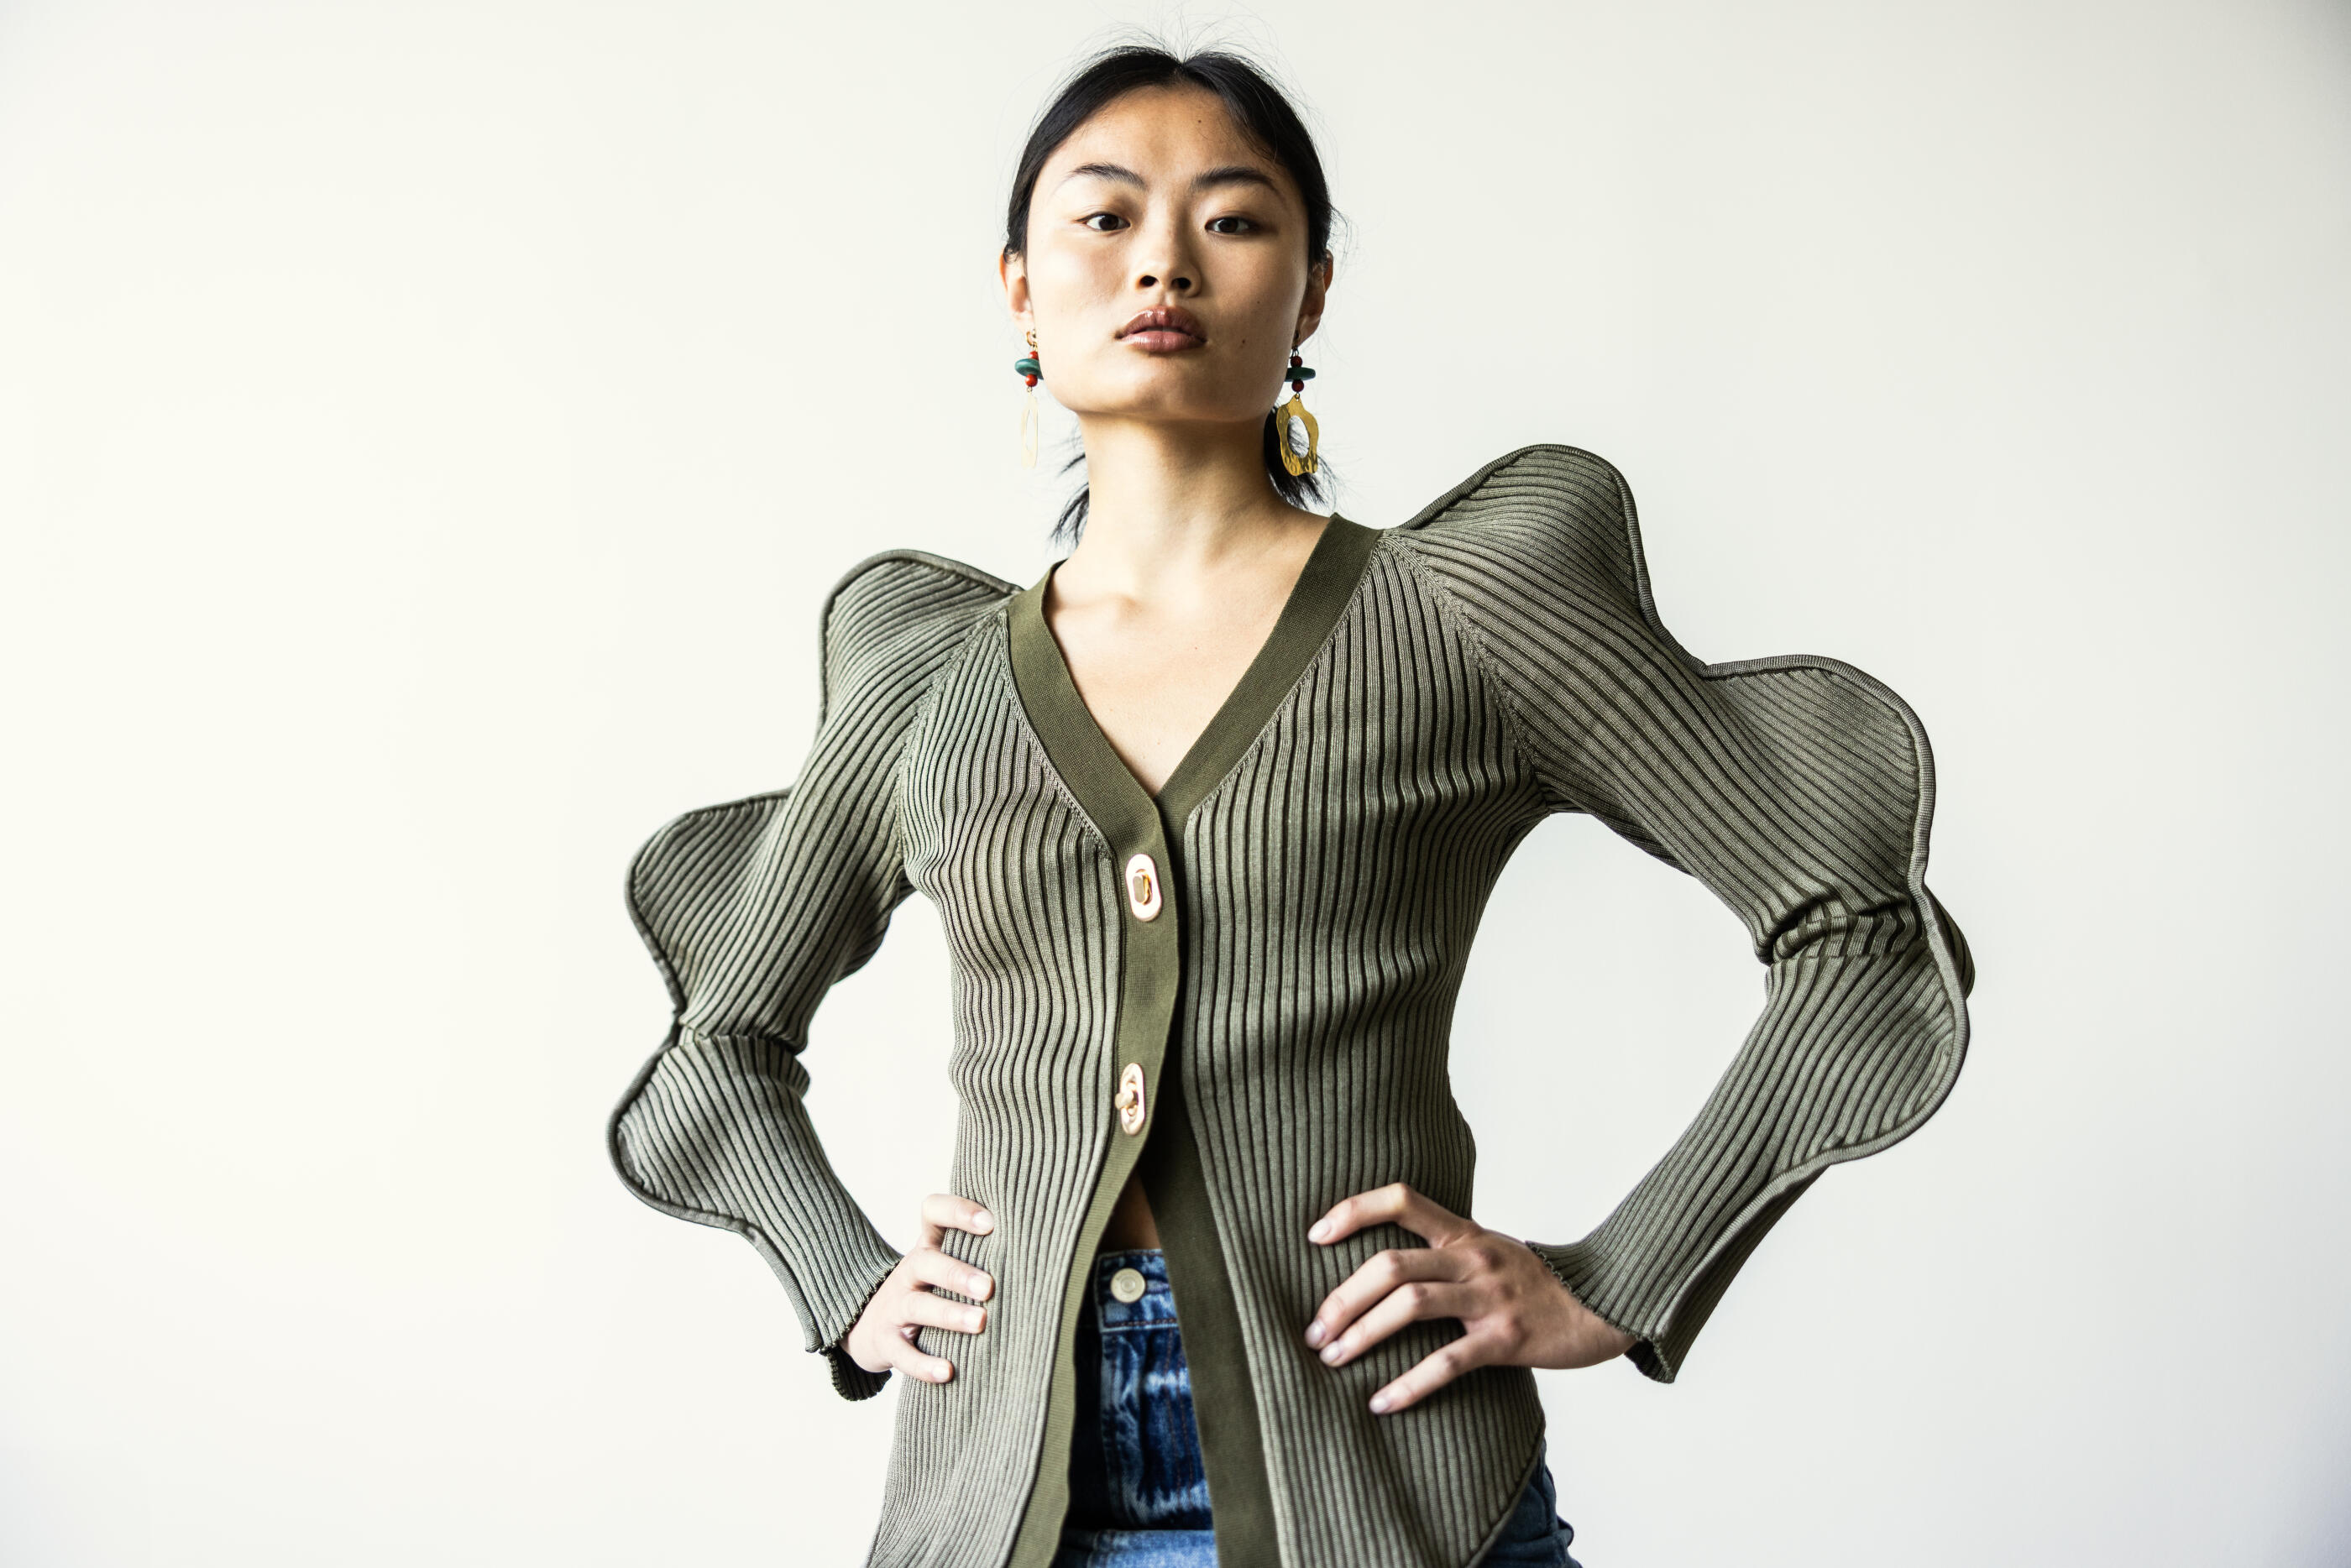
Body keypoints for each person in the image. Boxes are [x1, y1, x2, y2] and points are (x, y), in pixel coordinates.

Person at [605, 42, 1975, 1568]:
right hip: (999, 1504)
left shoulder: (1467, 615)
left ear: (1312, 292)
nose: (1165, 265)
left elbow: (1857, 927)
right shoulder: (927, 686)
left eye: (1236, 221)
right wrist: (844, 1272)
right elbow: (713, 1057)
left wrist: (1617, 1275)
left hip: (1388, 1490)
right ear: (1018, 290)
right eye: (1104, 219)